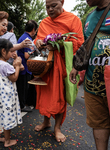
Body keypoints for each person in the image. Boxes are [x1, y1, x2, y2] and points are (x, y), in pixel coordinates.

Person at [34, 0, 84, 142]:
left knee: (59, 97)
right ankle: (46, 121)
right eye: (47, 7)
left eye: (53, 6)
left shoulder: (73, 20)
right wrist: (38, 41)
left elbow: (79, 43)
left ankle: (57, 128)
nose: (50, 9)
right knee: (45, 95)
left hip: (62, 66)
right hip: (46, 67)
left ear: (62, 2)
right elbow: (38, 40)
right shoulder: (44, 22)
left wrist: (60, 44)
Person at [70, 0, 110, 149]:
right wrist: (77, 67)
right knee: (99, 124)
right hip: (93, 86)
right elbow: (87, 44)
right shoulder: (90, 17)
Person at [0, 38, 23, 147]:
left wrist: (15, 62)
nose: (12, 53)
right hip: (6, 97)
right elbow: (14, 78)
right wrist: (17, 65)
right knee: (7, 116)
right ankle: (7, 141)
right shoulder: (6, 65)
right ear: (3, 51)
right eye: (10, 51)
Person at [16, 20, 38, 112]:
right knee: (23, 88)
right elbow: (26, 55)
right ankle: (22, 106)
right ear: (33, 29)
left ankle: (22, 104)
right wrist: (35, 52)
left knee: (22, 87)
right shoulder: (27, 39)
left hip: (22, 67)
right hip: (24, 67)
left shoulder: (23, 36)